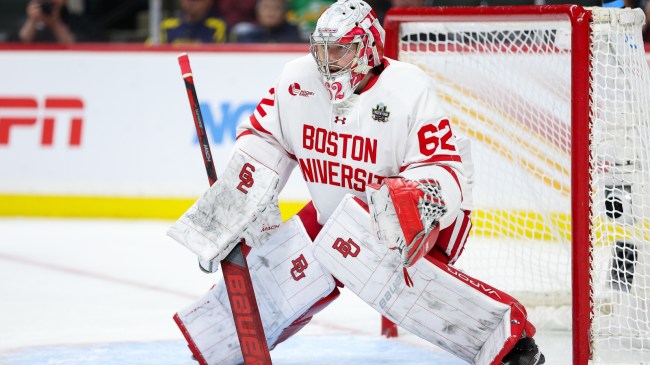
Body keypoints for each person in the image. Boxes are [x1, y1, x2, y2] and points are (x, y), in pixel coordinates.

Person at [167, 0, 546, 364]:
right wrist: (239, 203)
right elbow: (265, 140)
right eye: (322, 49)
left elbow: (441, 166)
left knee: (373, 255)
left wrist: (411, 203)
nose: (327, 61)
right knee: (286, 269)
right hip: (338, 212)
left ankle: (509, 342)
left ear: (367, 49)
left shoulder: (407, 87)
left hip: (418, 219)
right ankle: (220, 339)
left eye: (340, 51)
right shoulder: (296, 80)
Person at [16, 0, 101, 44]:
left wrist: (55, 24)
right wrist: (32, 21)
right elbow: (19, 44)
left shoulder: (79, 21)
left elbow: (76, 47)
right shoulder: (29, 20)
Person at [230, 0, 303, 43]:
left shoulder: (295, 36)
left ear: (284, 13)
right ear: (257, 11)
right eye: (266, 7)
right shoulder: (248, 37)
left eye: (276, 8)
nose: (270, 13)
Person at [159, 0, 227, 44]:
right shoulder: (166, 26)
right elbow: (150, 54)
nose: (192, 3)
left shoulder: (218, 26)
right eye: (189, 0)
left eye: (196, 1)